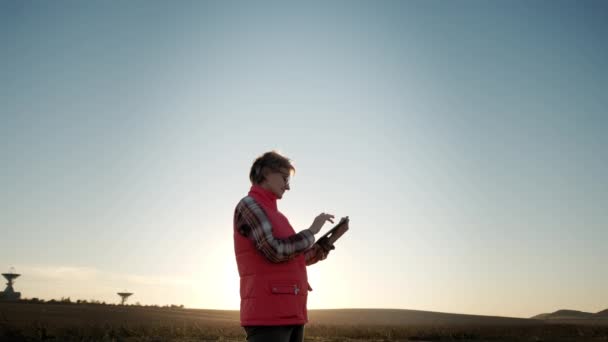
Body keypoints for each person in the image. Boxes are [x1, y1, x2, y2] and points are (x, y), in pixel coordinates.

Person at [233, 151, 346, 342]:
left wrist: (323, 246)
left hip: (292, 310)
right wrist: (311, 231)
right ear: (266, 173)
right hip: (268, 314)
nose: (288, 187)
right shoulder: (249, 205)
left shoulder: (279, 216)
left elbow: (293, 257)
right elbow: (275, 251)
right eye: (285, 178)